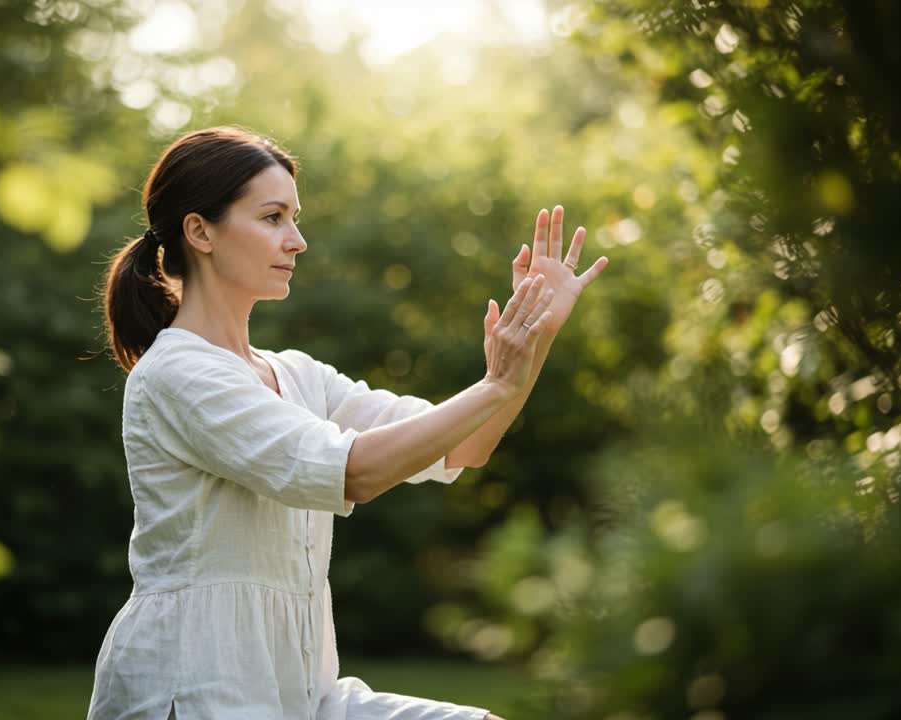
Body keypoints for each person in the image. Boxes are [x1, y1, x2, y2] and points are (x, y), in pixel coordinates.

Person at [88, 126, 608, 720]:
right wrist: (495, 383)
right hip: (199, 691)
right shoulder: (178, 374)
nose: (298, 240)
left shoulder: (297, 375)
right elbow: (351, 472)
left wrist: (534, 336)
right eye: (273, 217)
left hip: (306, 697)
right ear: (200, 231)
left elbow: (464, 446)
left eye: (295, 217)